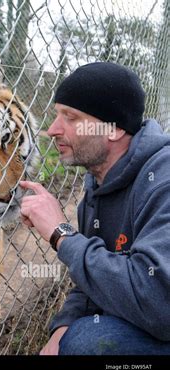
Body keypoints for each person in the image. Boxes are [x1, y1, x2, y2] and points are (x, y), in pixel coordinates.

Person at [19, 62, 170, 355]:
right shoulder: (98, 183)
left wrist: (62, 234)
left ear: (112, 130)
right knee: (74, 337)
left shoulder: (162, 181)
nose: (52, 130)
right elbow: (96, 283)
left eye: (71, 118)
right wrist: (63, 326)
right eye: (56, 115)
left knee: (90, 342)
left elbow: (160, 306)